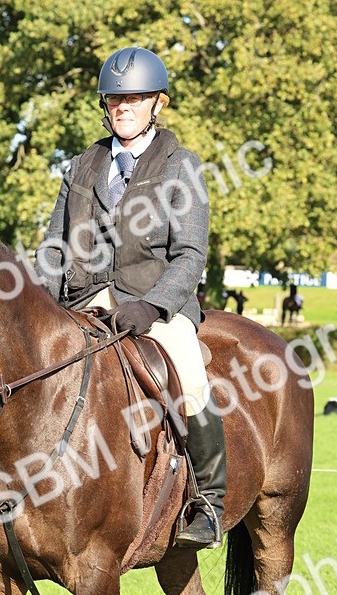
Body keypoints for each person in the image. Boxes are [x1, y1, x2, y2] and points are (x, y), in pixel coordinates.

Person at [36, 46, 225, 547]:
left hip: (154, 304)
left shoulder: (180, 165)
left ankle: (208, 501)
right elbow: (54, 249)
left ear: (157, 103)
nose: (123, 107)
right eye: (115, 99)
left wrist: (152, 305)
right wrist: (41, 306)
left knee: (188, 368)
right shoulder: (82, 166)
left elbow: (190, 254)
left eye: (135, 98)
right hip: (85, 303)